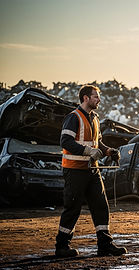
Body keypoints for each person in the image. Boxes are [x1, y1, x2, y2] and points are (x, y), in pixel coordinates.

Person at [55, 85, 127, 257]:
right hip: (75, 171)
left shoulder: (94, 118)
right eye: (96, 97)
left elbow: (97, 144)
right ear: (86, 98)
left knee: (101, 206)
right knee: (72, 208)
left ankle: (105, 245)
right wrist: (88, 152)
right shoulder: (73, 117)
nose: (99, 100)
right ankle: (61, 247)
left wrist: (109, 151)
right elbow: (65, 141)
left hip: (92, 170)